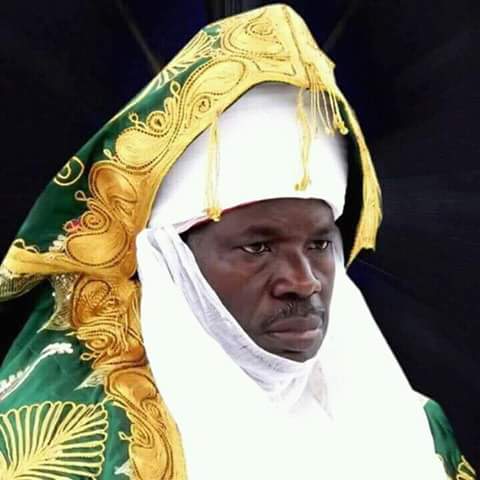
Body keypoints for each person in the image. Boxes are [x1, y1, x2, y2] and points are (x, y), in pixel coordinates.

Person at [0, 4, 475, 479]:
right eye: (258, 247)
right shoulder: (88, 445)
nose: (303, 282)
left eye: (319, 245)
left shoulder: (412, 432)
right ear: (173, 260)